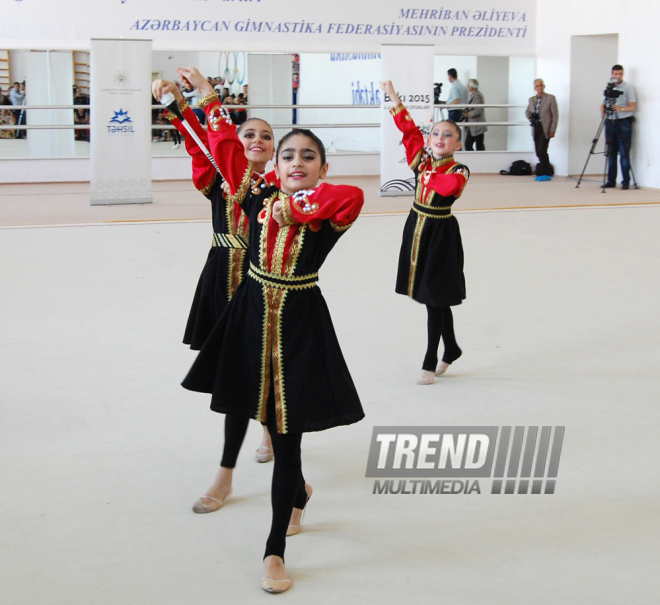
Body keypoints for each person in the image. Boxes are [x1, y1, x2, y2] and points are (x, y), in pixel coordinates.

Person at [178, 66, 364, 594]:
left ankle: (274, 550)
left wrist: (291, 205)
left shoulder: (327, 208)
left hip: (301, 325)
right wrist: (207, 99)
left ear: (322, 166)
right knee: (239, 401)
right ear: (274, 166)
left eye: (309, 156)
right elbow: (228, 152)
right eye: (288, 155)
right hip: (250, 315)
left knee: (288, 441)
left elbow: (348, 197)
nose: (297, 162)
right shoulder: (253, 198)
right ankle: (244, 479)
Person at [152, 77, 279, 513]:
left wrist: (202, 98)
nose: (258, 140)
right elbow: (196, 139)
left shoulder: (279, 189)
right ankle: (228, 470)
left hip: (265, 284)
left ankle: (257, 440)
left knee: (262, 366)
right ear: (233, 141)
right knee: (236, 372)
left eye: (266, 136)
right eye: (249, 134)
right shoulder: (219, 178)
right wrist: (175, 100)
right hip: (222, 277)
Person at [382, 79, 469, 385]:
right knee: (432, 297)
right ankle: (453, 347)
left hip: (440, 234)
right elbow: (407, 131)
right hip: (416, 227)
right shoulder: (422, 160)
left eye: (448, 135)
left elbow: (450, 188)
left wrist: (429, 173)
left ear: (458, 144)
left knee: (435, 297)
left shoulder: (458, 170)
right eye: (435, 134)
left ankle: (430, 361)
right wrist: (393, 97)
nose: (440, 138)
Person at [601, 64, 636, 190]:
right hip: (610, 121)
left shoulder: (628, 88)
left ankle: (625, 181)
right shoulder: (608, 87)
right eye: (616, 74)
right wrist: (603, 110)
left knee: (624, 153)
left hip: (624, 122)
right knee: (611, 153)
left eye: (620, 74)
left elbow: (632, 106)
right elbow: (603, 103)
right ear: (612, 74)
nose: (618, 76)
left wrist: (620, 108)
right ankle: (611, 181)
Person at [525, 78, 558, 180]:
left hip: (546, 128)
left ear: (544, 86)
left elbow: (555, 115)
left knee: (542, 150)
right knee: (538, 152)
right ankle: (545, 171)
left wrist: (552, 130)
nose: (539, 87)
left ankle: (547, 173)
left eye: (541, 85)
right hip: (536, 127)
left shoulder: (550, 98)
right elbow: (527, 112)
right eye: (537, 86)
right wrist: (531, 117)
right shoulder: (532, 99)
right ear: (534, 88)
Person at [463, 79, 487, 151]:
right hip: (474, 126)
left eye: (468, 85)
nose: (467, 86)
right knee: (472, 144)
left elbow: (477, 111)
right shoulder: (474, 95)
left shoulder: (477, 96)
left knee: (476, 144)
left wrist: (468, 114)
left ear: (472, 87)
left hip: (477, 126)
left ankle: (477, 159)